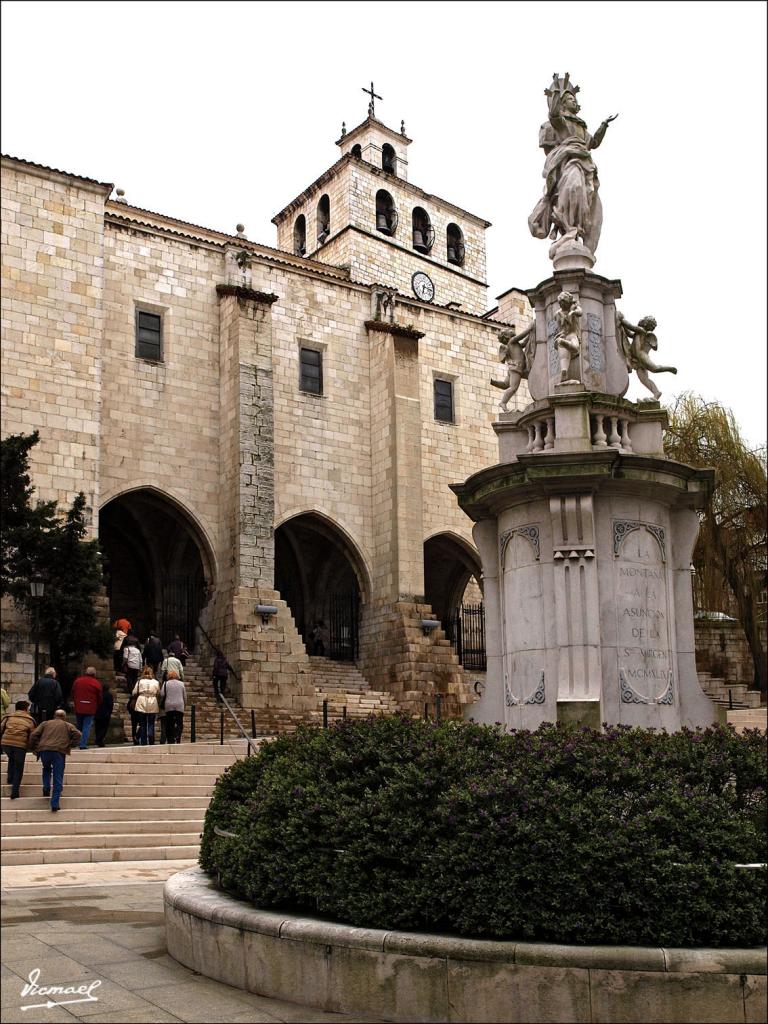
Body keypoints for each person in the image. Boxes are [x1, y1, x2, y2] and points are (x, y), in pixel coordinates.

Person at [528, 73, 617, 258]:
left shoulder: (581, 126)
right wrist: (555, 95)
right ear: (562, 103)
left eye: (574, 99)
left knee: (587, 201)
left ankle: (576, 230)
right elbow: (553, 115)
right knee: (573, 188)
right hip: (569, 163)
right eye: (569, 99)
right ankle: (569, 228)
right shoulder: (562, 123)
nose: (574, 102)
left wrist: (604, 126)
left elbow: (592, 144)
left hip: (586, 164)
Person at [616, 312, 678, 401]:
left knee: (655, 368)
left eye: (644, 320)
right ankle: (656, 393)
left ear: (645, 323)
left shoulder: (641, 330)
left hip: (642, 356)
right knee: (644, 379)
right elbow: (629, 333)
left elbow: (630, 327)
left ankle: (670, 368)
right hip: (636, 358)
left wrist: (621, 319)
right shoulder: (638, 333)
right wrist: (621, 325)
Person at [29, 709, 81, 812]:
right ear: (64, 717)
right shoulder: (67, 725)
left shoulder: (45, 723)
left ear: (54, 715)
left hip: (44, 750)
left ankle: (46, 787)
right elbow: (78, 734)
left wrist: (34, 747)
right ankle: (55, 803)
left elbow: (34, 734)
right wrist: (71, 744)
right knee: (58, 775)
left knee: (46, 768)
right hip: (59, 751)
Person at [491, 324, 536, 412]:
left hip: (514, 369)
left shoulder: (514, 344)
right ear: (507, 336)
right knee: (513, 387)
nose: (511, 330)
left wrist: (530, 335)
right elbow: (521, 336)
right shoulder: (512, 341)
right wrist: (529, 329)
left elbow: (523, 344)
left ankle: (493, 382)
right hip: (516, 368)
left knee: (505, 385)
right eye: (508, 331)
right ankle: (503, 402)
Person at [1, 699, 37, 799]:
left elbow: (1, 728)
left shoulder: (8, 717)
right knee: (19, 768)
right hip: (20, 745)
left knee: (11, 757)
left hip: (6, 743)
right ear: (26, 709)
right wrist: (32, 747)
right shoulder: (30, 719)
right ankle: (15, 791)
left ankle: (9, 778)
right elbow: (33, 735)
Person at [554, 291, 582, 383]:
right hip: (565, 335)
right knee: (565, 357)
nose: (562, 304)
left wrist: (572, 312)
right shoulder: (558, 313)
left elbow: (580, 312)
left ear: (568, 302)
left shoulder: (573, 309)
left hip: (569, 335)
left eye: (563, 302)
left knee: (574, 349)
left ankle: (562, 343)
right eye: (560, 303)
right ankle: (564, 372)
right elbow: (559, 327)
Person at [71, 667, 103, 749]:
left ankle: (77, 742)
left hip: (79, 706)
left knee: (79, 725)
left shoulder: (78, 681)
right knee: (87, 726)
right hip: (90, 707)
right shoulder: (96, 683)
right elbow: (99, 697)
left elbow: (73, 692)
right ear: (94, 674)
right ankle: (83, 744)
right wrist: (98, 705)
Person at [132, 666, 160, 745]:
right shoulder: (156, 682)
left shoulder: (139, 681)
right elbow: (158, 692)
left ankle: (143, 741)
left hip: (141, 701)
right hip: (152, 701)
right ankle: (151, 736)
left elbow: (134, 692)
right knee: (151, 722)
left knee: (142, 723)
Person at [162, 670, 187, 744]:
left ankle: (170, 739)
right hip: (179, 705)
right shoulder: (181, 684)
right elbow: (185, 696)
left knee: (169, 723)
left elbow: (162, 694)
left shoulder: (166, 683)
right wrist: (184, 704)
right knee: (179, 722)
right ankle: (177, 736)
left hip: (169, 705)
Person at [93, 681, 115, 748]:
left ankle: (98, 739)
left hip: (97, 712)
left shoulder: (99, 694)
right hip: (106, 713)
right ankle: (100, 740)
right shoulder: (109, 695)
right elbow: (110, 705)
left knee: (97, 727)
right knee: (104, 727)